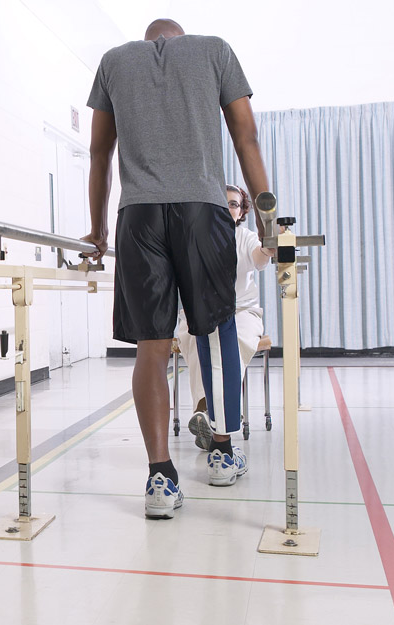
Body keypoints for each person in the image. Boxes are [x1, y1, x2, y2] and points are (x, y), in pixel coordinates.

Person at [82, 18, 273, 519]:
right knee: (218, 331)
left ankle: (160, 480)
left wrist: (98, 232)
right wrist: (269, 220)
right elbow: (245, 135)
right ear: (179, 38)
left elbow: (100, 152)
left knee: (153, 344)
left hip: (139, 215)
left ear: (149, 43)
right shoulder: (214, 51)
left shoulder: (114, 61)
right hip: (200, 211)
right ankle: (223, 452)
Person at [177, 185, 275, 455]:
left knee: (235, 342)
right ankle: (206, 409)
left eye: (233, 204)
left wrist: (269, 248)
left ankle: (209, 412)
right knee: (197, 342)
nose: (227, 208)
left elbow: (259, 257)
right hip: (199, 311)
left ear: (242, 211)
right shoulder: (194, 236)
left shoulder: (246, 237)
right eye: (222, 203)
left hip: (241, 311)